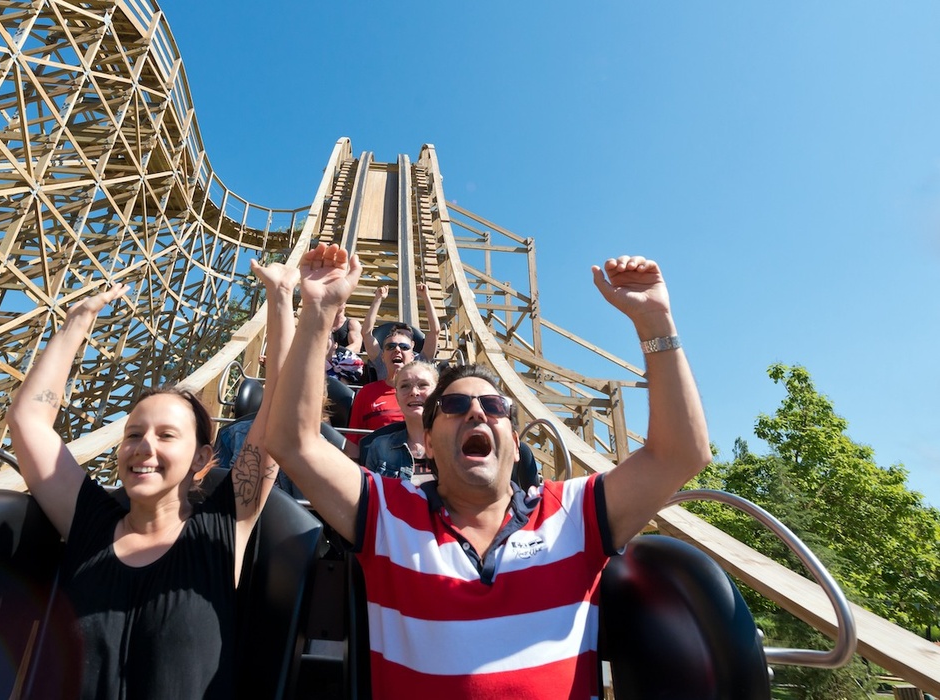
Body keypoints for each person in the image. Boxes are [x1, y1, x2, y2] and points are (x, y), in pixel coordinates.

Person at [265, 243, 711, 698]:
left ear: (517, 447)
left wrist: (656, 322)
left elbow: (679, 455)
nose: (476, 413)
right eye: (455, 407)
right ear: (430, 445)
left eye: (494, 406)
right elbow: (292, 440)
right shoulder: (389, 515)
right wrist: (319, 311)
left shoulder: (571, 513)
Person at [5, 260, 297, 700]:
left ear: (201, 456)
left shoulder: (224, 524)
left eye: (166, 436)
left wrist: (280, 302)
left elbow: (281, 414)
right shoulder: (88, 522)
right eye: (133, 435)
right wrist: (76, 323)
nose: (144, 447)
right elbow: (28, 418)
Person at [357, 359, 438, 482]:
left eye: (423, 385)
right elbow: (372, 497)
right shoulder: (379, 448)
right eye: (405, 386)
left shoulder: (456, 444)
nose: (414, 392)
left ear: (437, 393)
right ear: (397, 397)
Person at [343, 324, 415, 458]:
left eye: (404, 347)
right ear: (382, 356)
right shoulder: (367, 393)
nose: (397, 350)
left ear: (412, 356)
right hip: (378, 464)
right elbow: (353, 441)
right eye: (390, 347)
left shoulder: (424, 393)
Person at [361, 282, 441, 377]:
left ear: (412, 345)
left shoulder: (420, 361)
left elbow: (435, 331)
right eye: (392, 345)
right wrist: (378, 299)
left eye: (404, 346)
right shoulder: (382, 360)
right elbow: (366, 333)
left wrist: (426, 296)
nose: (397, 349)